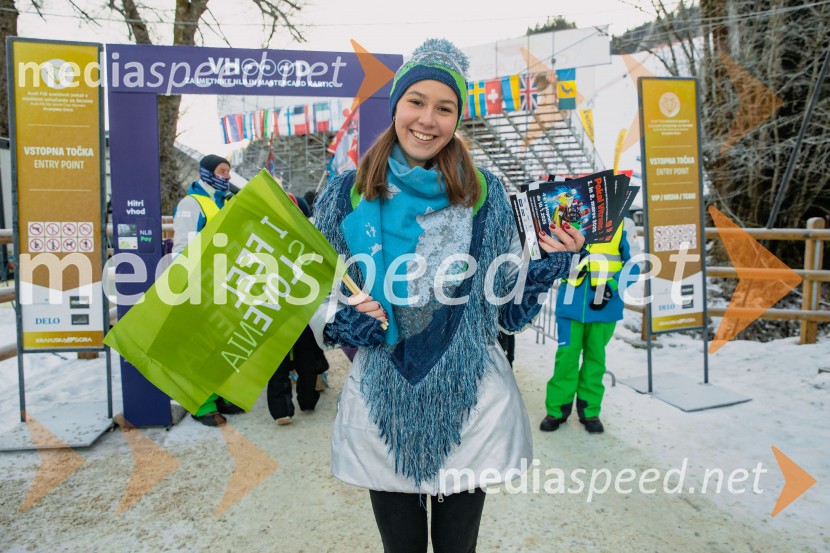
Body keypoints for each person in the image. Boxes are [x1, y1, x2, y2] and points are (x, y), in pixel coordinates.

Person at [309, 38, 586, 553]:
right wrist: (342, 319)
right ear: (396, 106)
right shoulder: (345, 192)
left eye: (445, 107)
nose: (427, 119)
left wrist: (548, 264)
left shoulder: (488, 195)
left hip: (471, 409)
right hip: (381, 405)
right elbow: (308, 288)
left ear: (457, 117)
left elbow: (507, 312)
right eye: (416, 102)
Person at [540, 216, 642, 434]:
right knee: (566, 357)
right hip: (570, 303)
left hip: (605, 306)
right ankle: (557, 410)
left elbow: (635, 266)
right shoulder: (569, 218)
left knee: (595, 358)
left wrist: (612, 287)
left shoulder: (624, 223)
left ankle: (590, 411)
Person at [172, 154, 245, 427]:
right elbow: (181, 247)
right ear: (206, 172)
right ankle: (201, 403)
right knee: (201, 345)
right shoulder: (191, 203)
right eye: (222, 170)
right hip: (201, 284)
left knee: (222, 344)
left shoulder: (227, 201)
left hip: (226, 284)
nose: (226, 176)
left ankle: (220, 394)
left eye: (228, 171)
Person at [266, 192, 330, 425]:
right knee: (303, 355)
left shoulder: (265, 232)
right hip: (298, 303)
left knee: (280, 359)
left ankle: (284, 409)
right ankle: (305, 401)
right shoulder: (307, 232)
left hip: (279, 303)